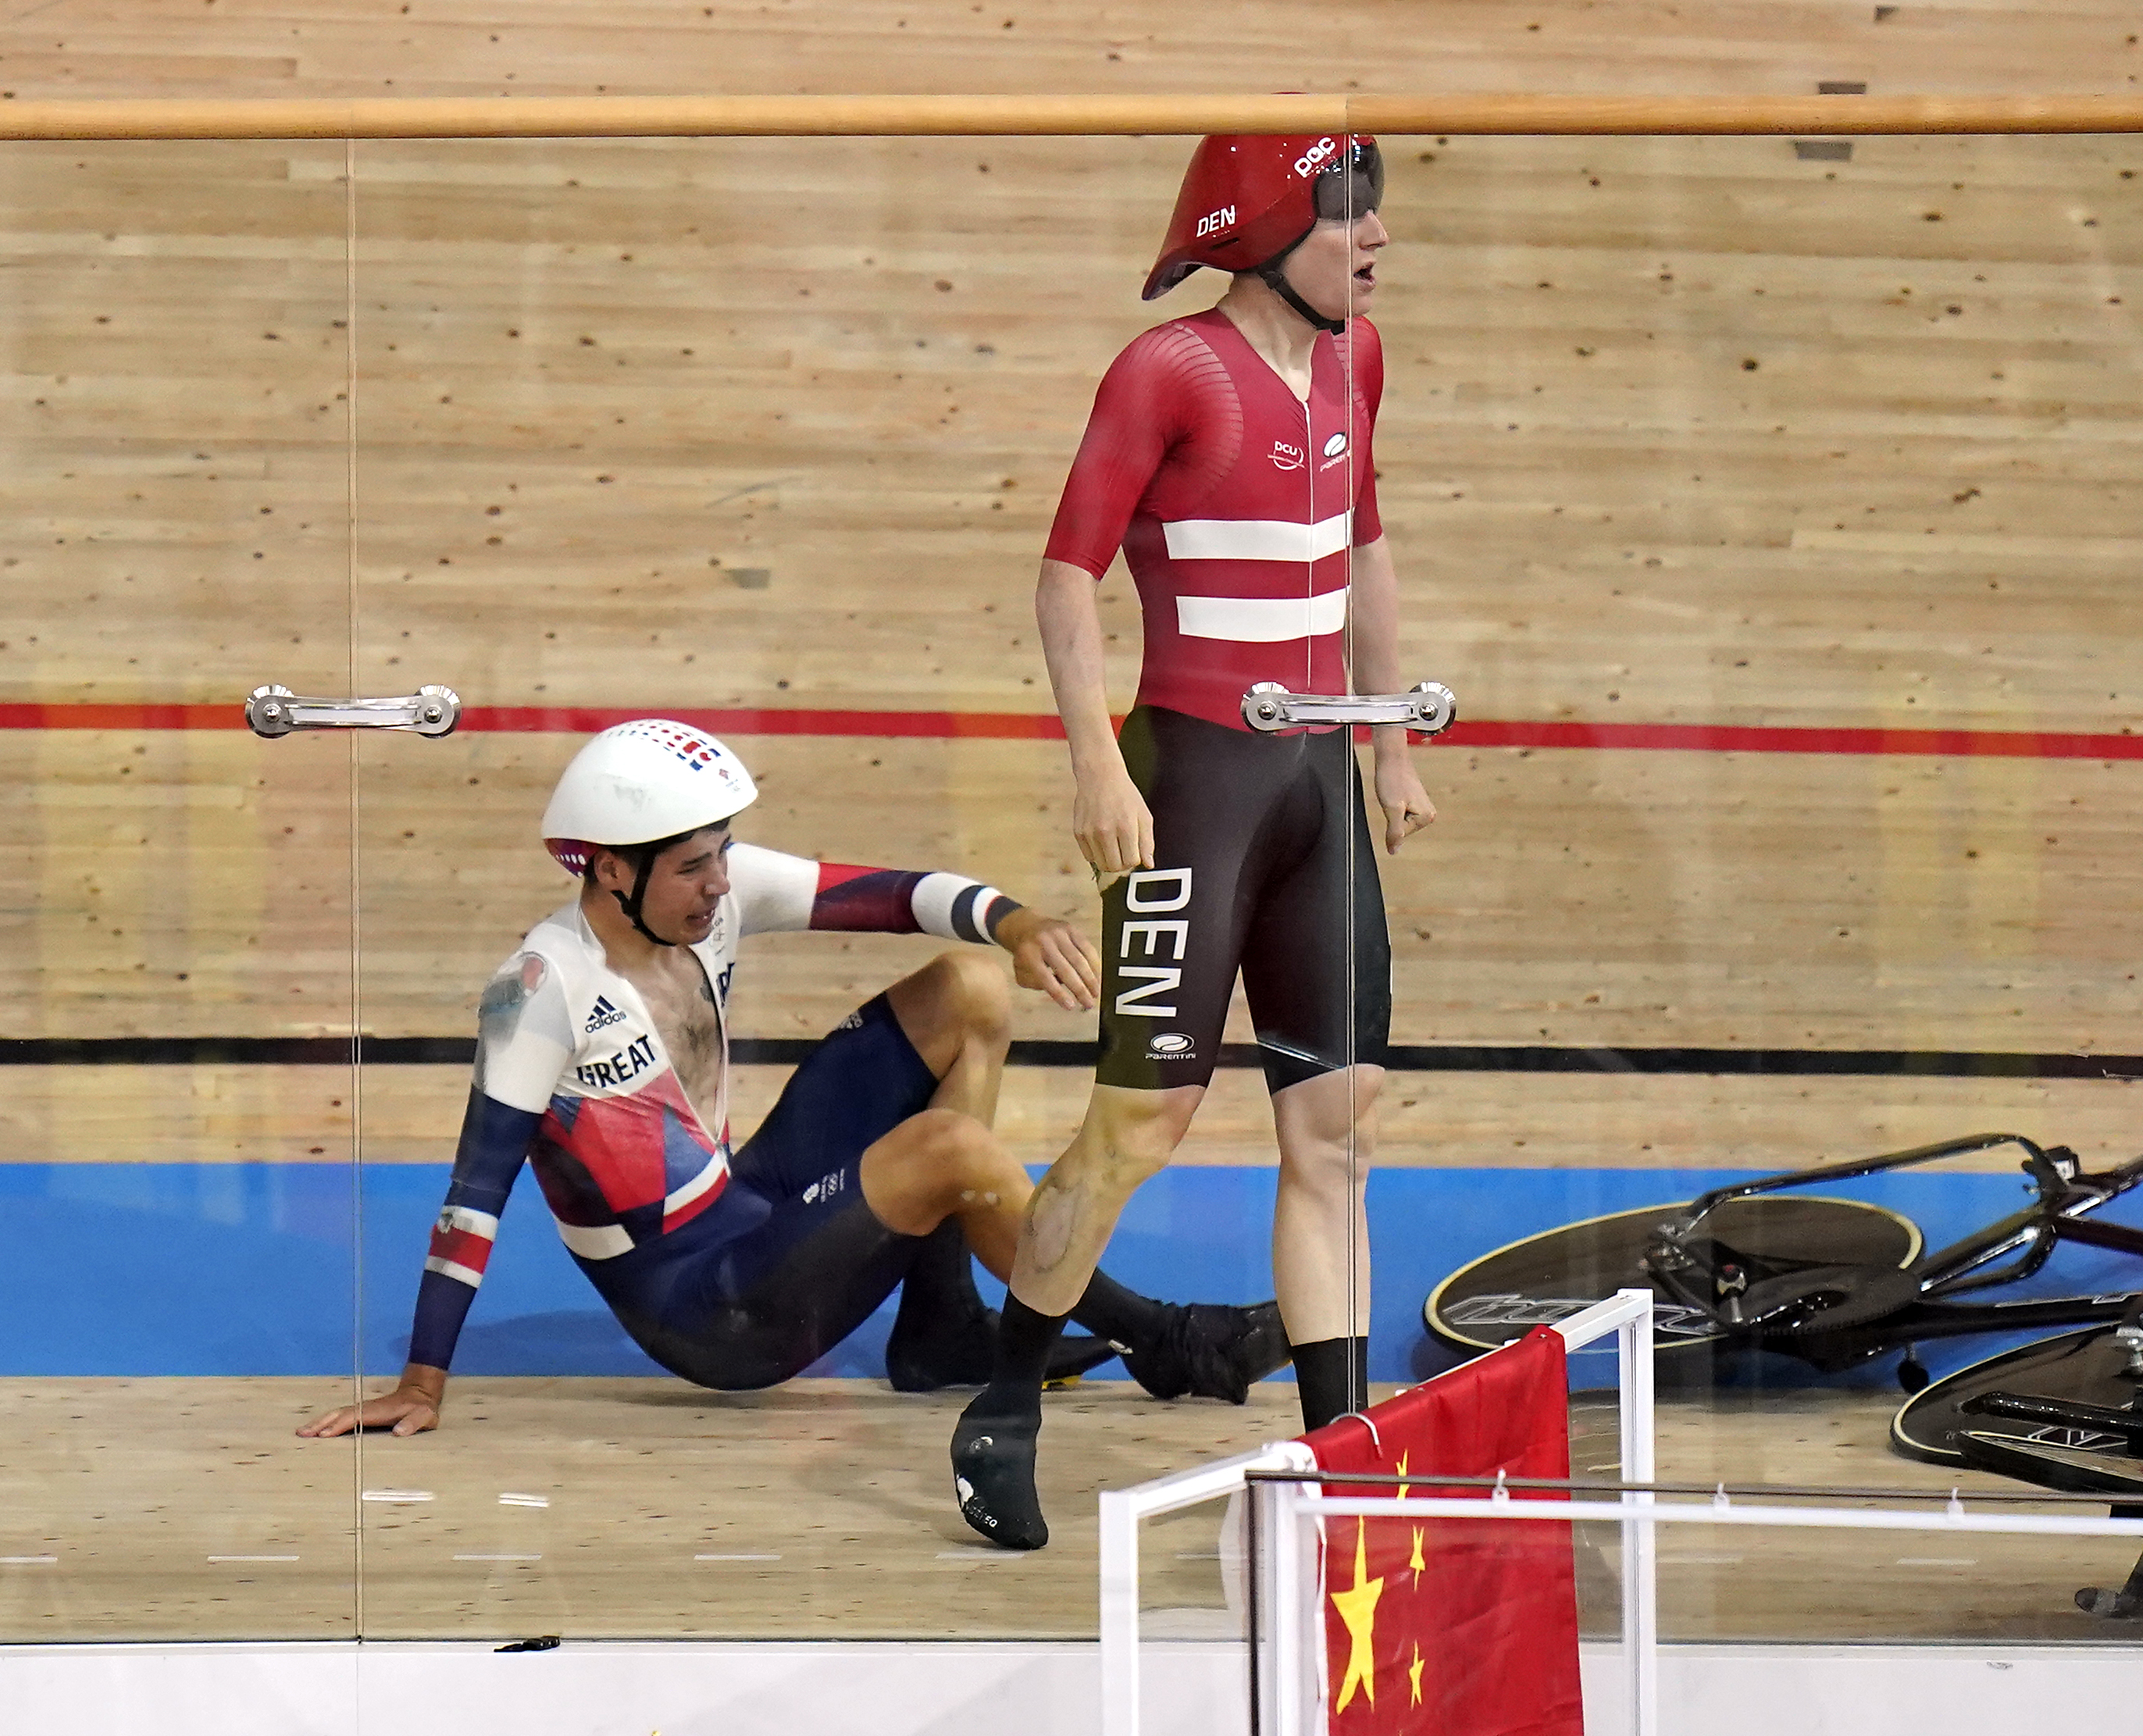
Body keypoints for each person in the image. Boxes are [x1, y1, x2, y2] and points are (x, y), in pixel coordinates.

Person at [299, 718, 1285, 1443]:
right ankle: (1164, 1339)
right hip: (711, 1312)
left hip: (745, 1203)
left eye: (723, 856)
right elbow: (474, 1195)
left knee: (969, 986)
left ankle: (939, 1327)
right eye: (694, 868)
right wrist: (422, 1382)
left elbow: (902, 895)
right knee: (948, 1150)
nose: (722, 883)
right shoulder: (539, 991)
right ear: (609, 871)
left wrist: (1017, 923)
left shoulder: (702, 893)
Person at [947, 130, 1435, 1552]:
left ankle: (1342, 1455)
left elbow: (1365, 546)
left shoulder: (1358, 360)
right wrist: (1098, 764)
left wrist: (1391, 739)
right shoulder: (1168, 370)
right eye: (1345, 215)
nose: (1376, 238)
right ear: (1265, 232)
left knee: (1336, 1127)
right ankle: (1006, 1397)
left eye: (1376, 213)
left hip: (1316, 778)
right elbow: (1065, 577)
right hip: (1196, 784)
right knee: (1139, 1124)